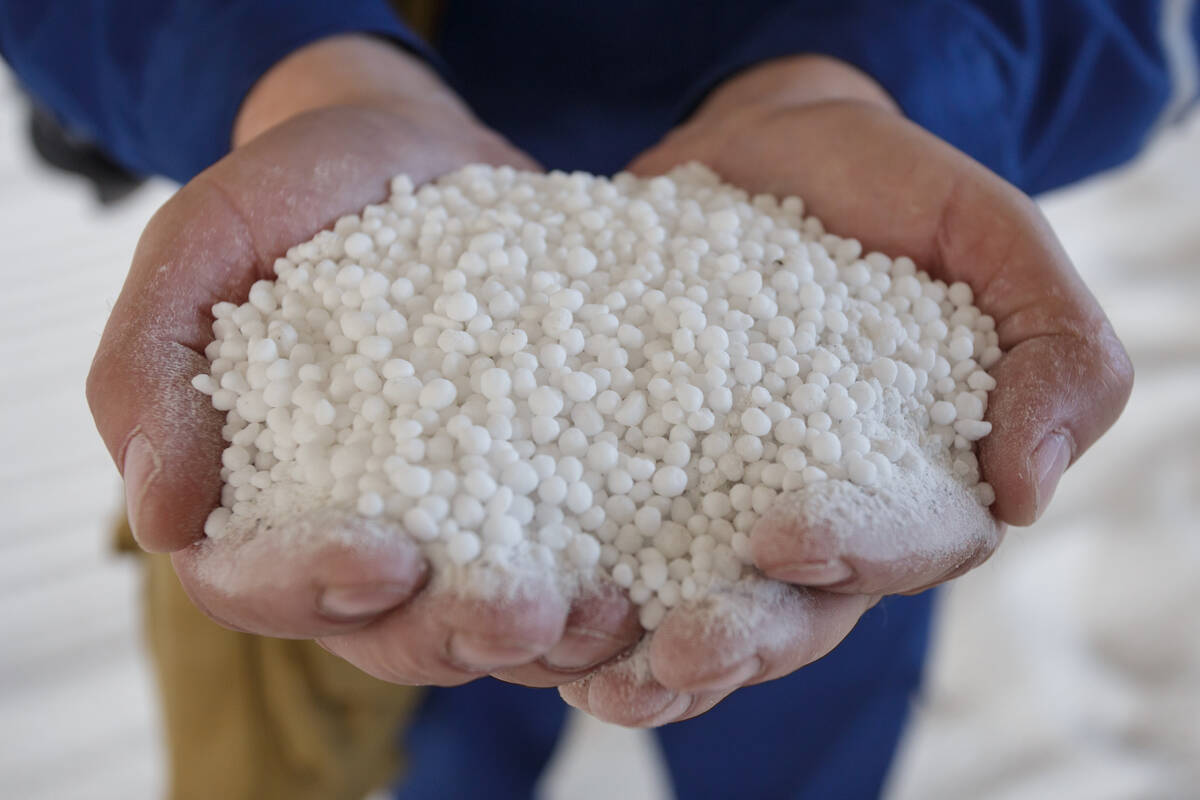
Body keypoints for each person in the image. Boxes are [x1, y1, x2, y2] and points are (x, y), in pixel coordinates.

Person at [4, 1, 1188, 797]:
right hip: (355, 171)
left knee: (797, 676)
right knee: (430, 683)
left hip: (826, 253)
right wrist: (282, 60)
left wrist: (887, 70)